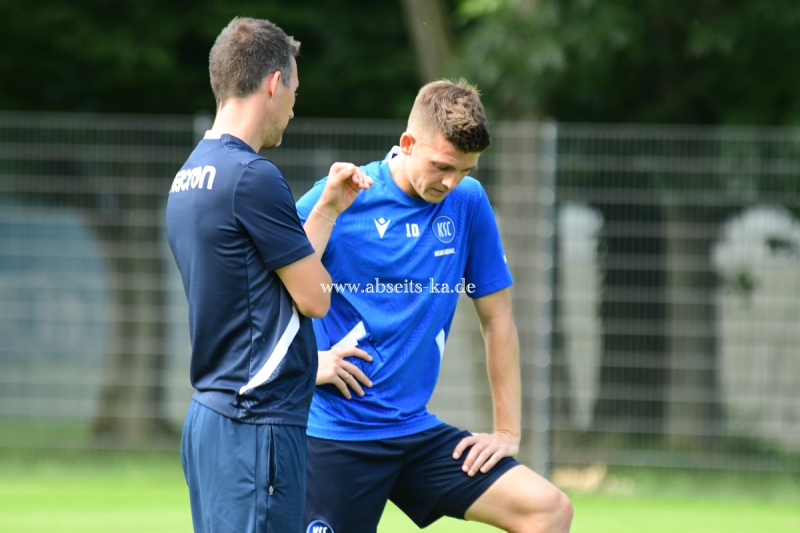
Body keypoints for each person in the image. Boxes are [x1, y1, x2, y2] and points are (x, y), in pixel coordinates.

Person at [296, 80, 574, 533]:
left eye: (464, 170)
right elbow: (264, 295)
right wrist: (310, 363)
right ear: (407, 143)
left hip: (415, 434)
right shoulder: (337, 196)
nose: (451, 182)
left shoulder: (468, 202)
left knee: (548, 510)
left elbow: (498, 319)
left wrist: (506, 431)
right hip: (336, 435)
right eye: (442, 166)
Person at [166, 17, 371, 533]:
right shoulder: (253, 176)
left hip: (212, 416)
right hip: (256, 426)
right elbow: (314, 298)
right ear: (274, 83)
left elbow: (270, 286)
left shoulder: (190, 175)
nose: (294, 107)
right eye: (295, 90)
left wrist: (326, 209)